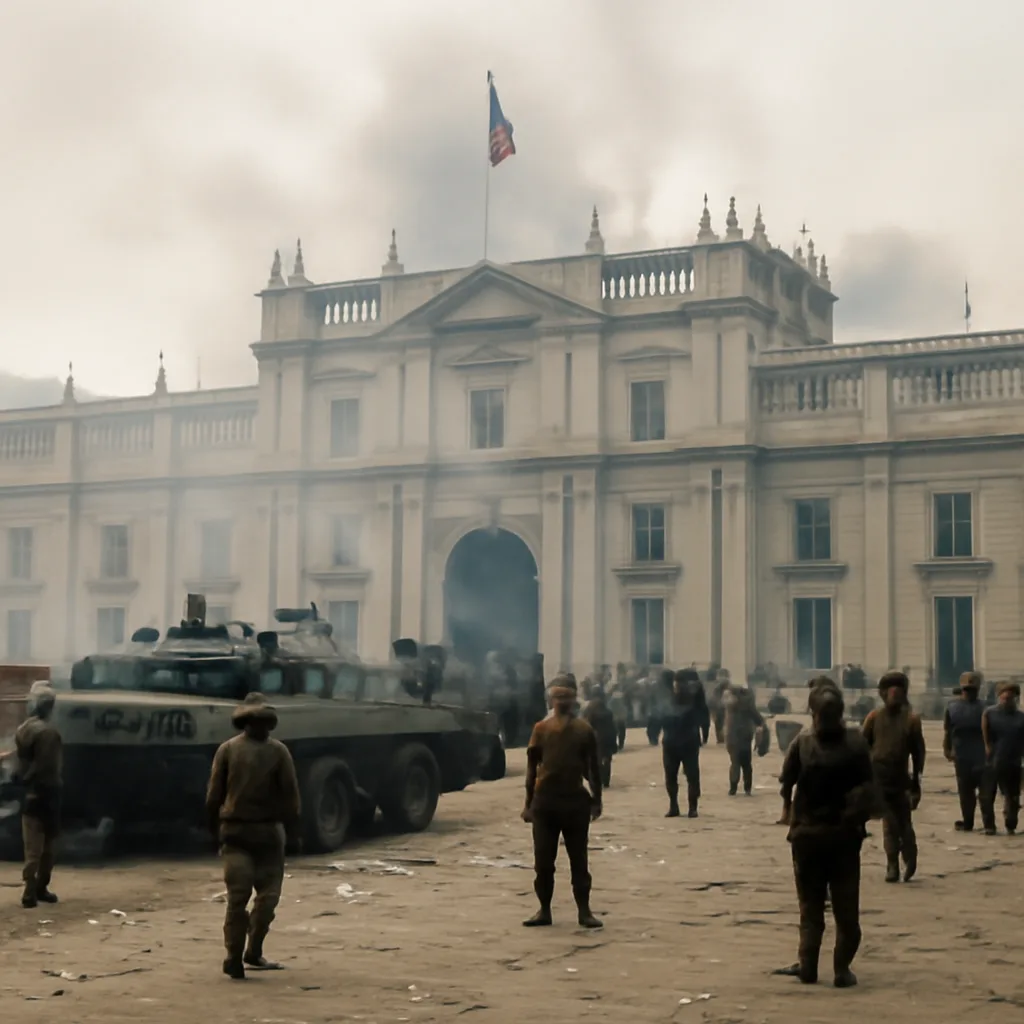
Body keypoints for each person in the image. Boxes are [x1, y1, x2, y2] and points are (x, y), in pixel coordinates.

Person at [777, 681, 880, 988]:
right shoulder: (856, 743)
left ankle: (808, 966)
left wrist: (789, 814)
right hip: (843, 837)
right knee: (846, 909)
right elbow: (869, 789)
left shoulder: (803, 742)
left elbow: (786, 783)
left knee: (810, 908)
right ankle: (841, 969)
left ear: (812, 712)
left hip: (807, 837)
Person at [205, 693, 302, 980]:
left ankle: (248, 952)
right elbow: (292, 798)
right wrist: (295, 831)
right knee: (253, 897)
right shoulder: (267, 751)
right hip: (250, 833)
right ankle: (237, 955)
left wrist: (214, 832)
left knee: (257, 899)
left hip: (251, 832)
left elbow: (213, 798)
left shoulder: (237, 750)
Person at [522, 675, 603, 929]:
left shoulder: (584, 729)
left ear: (574, 698)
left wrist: (597, 799)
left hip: (575, 802)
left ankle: (584, 910)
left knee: (579, 860)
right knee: (543, 863)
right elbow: (531, 769)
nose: (562, 701)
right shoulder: (541, 729)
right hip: (545, 803)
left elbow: (593, 769)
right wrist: (528, 804)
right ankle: (544, 909)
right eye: (558, 697)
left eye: (567, 696)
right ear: (551, 699)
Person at [862, 671, 925, 883]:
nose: (894, 693)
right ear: (883, 693)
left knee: (904, 824)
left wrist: (916, 783)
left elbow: (918, 754)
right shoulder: (873, 718)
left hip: (901, 781)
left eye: (898, 689)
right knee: (888, 824)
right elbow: (863, 747)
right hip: (879, 779)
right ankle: (892, 864)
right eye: (890, 689)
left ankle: (910, 856)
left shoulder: (911, 720)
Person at [13, 682, 63, 909]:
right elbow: (44, 765)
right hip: (47, 794)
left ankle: (31, 889)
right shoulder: (49, 733)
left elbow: (21, 763)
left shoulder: (23, 729)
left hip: (31, 795)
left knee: (32, 847)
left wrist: (21, 781)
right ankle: (37, 889)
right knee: (47, 848)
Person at [661, 668, 710, 818]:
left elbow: (703, 718)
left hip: (681, 741)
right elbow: (704, 719)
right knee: (685, 775)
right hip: (680, 741)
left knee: (681, 776)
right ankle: (682, 807)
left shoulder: (692, 698)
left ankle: (685, 807)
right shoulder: (689, 698)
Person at [942, 672, 987, 832]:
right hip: (961, 755)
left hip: (982, 755)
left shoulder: (986, 708)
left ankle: (989, 824)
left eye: (972, 689)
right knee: (965, 791)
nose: (969, 692)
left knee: (985, 793)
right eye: (966, 689)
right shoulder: (952, 707)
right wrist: (947, 749)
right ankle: (968, 822)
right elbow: (948, 730)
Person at [980, 680, 1024, 835]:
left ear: (1016, 698)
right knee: (987, 796)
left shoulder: (1021, 717)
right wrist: (988, 750)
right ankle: (989, 826)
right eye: (1004, 697)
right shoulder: (989, 713)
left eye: (1011, 698)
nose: (1007, 700)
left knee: (1012, 797)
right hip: (993, 761)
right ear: (999, 697)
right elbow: (986, 736)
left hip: (1014, 762)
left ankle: (1011, 824)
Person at [724, 682, 764, 795]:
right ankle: (747, 788)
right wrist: (761, 724)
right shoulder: (747, 704)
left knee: (735, 762)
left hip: (732, 737)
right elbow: (757, 717)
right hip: (745, 737)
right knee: (746, 763)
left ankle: (733, 788)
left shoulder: (730, 704)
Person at [581, 685, 618, 787]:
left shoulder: (588, 709)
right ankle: (605, 780)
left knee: (594, 760)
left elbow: (585, 724)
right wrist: (614, 743)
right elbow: (612, 727)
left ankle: (597, 780)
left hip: (595, 738)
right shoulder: (607, 710)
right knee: (606, 758)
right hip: (606, 737)